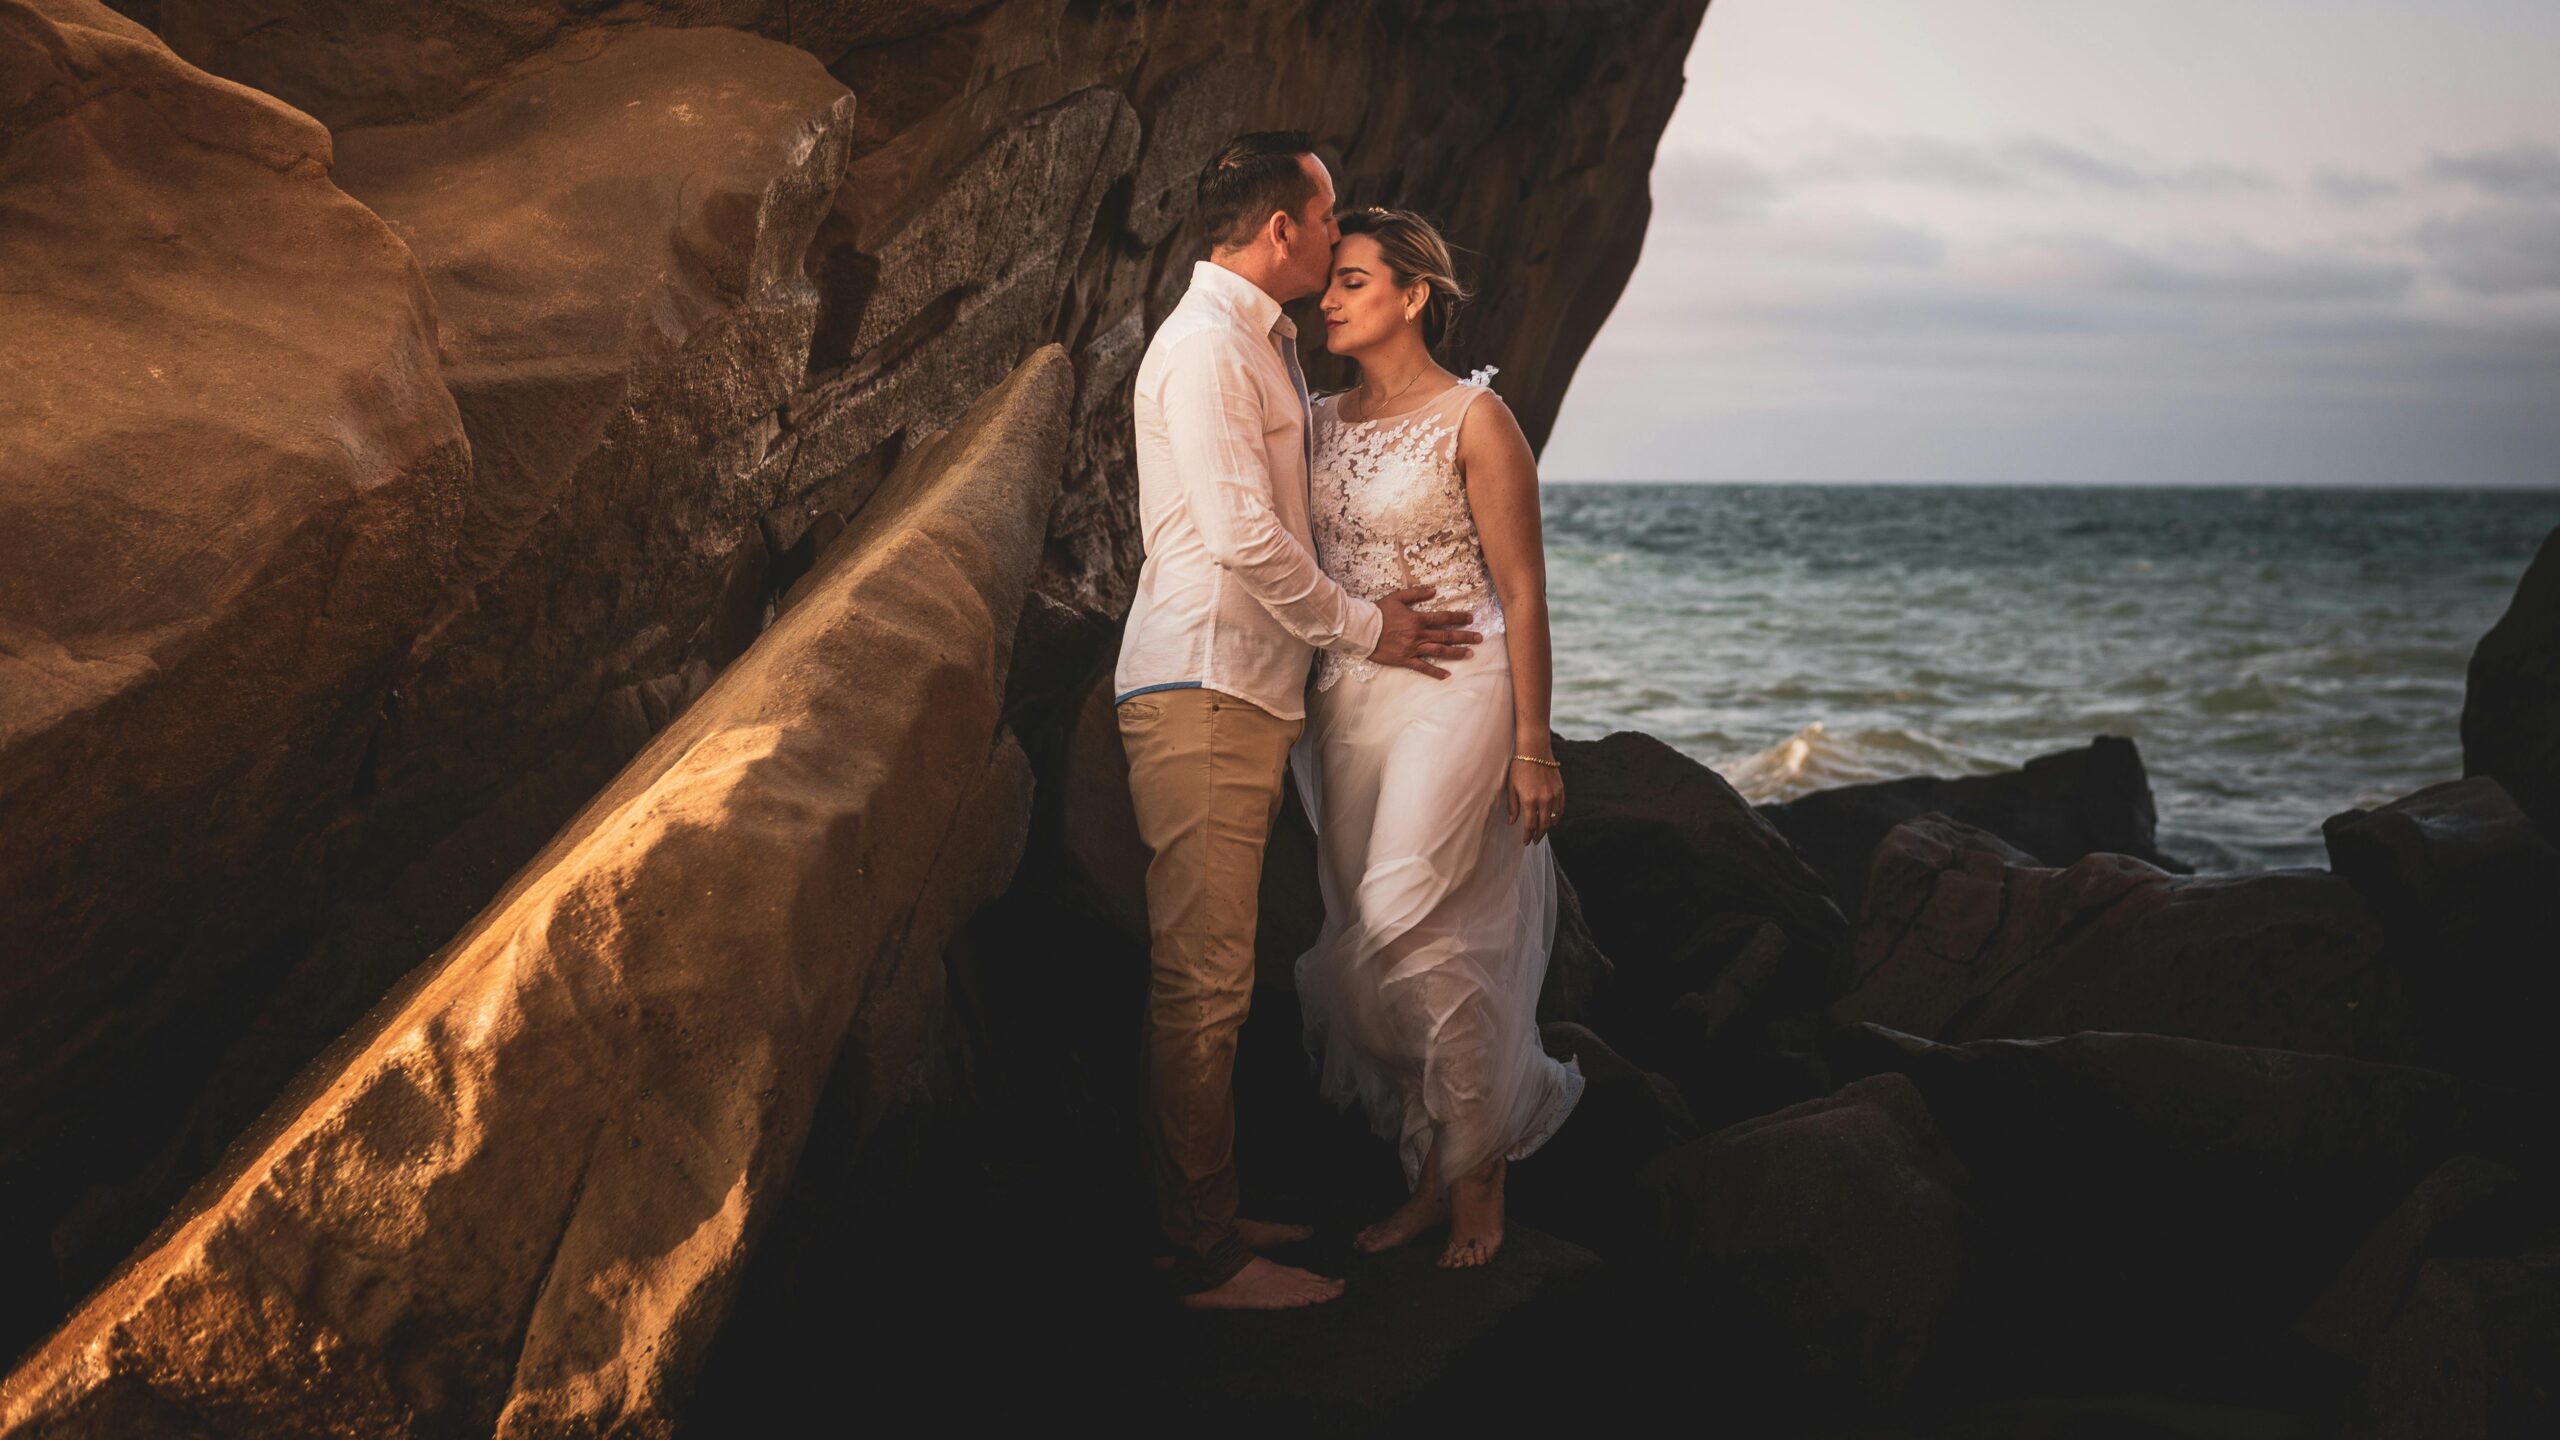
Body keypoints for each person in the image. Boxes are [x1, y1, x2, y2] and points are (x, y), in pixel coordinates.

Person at [1115, 135, 1482, 1310]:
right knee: (1204, 981)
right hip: (1205, 688)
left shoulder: (1250, 345)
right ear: (1282, 228)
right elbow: (1244, 540)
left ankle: (1205, 1209)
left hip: (1243, 692)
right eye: (1325, 226)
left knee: (1217, 972)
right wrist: (1370, 629)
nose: (1333, 253)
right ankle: (1200, 1255)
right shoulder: (1210, 349)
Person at [1292, 206, 1584, 1269]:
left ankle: (1479, 1183)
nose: (1328, 297)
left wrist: (1534, 743)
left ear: (1413, 295)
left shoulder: (1476, 420)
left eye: (1354, 281)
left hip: (1462, 690)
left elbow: (1525, 592)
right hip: (1351, 697)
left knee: (1404, 918)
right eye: (1328, 280)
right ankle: (1434, 1162)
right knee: (1363, 966)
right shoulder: (1315, 420)